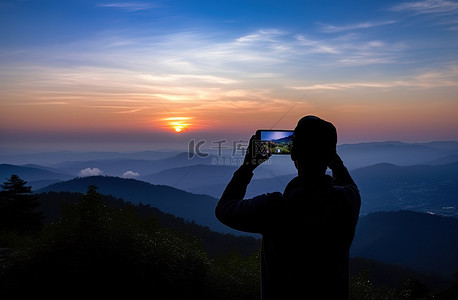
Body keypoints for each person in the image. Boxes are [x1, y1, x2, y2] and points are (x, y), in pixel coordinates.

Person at [215, 115, 361, 300]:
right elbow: (349, 184)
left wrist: (248, 166)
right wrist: (332, 159)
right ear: (331, 155)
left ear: (293, 153)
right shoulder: (348, 201)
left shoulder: (276, 207)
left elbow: (224, 210)